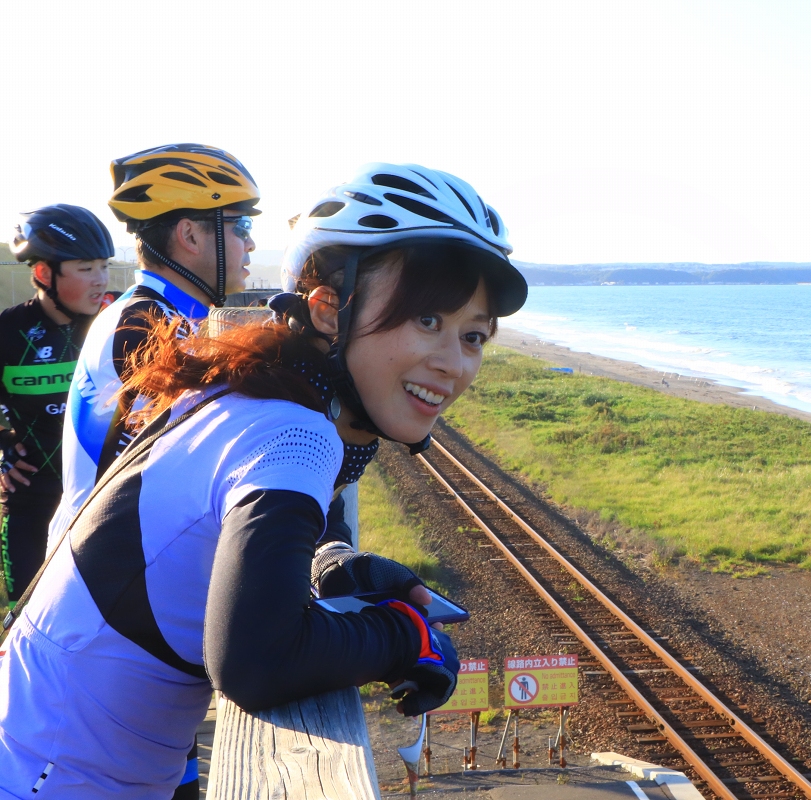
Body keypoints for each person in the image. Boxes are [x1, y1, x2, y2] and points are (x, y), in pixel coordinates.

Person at [0, 163, 527, 798]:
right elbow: (255, 661)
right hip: (55, 778)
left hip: (42, 746)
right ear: (330, 309)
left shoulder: (249, 394)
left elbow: (198, 531)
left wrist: (328, 564)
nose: (454, 363)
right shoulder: (297, 435)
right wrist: (405, 635)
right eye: (427, 321)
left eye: (473, 335)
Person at [47, 144, 260, 559]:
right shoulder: (145, 325)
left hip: (119, 567)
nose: (250, 243)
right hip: (102, 580)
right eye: (242, 225)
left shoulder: (164, 313)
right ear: (191, 235)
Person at [0, 205, 112, 601]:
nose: (101, 280)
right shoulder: (7, 333)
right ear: (44, 274)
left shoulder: (116, 323)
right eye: (85, 269)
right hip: (32, 505)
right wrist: (2, 447)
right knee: (23, 625)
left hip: (103, 503)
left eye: (103, 266)